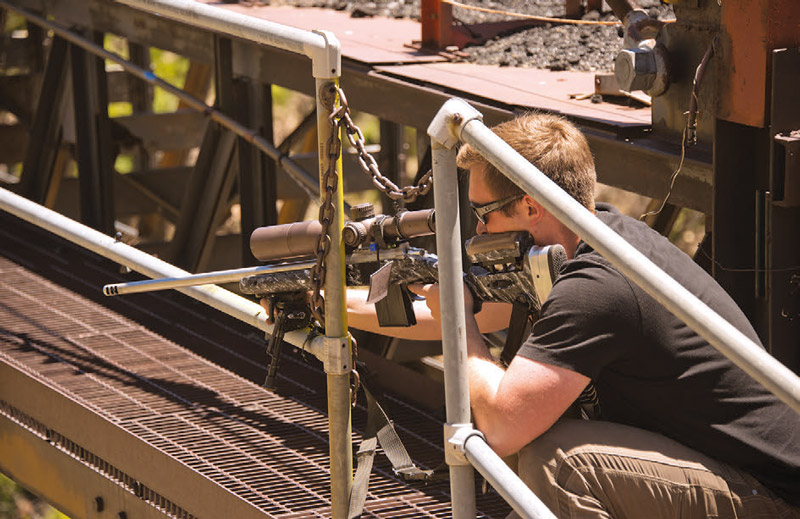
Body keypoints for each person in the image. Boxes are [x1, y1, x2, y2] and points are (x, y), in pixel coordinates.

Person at [347, 112, 800, 518]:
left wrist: (457, 320)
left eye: (481, 214)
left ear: (530, 206)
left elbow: (504, 425)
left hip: (771, 495)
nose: (479, 230)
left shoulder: (597, 285)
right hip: (730, 465)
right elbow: (485, 310)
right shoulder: (605, 236)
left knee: (559, 463)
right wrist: (334, 306)